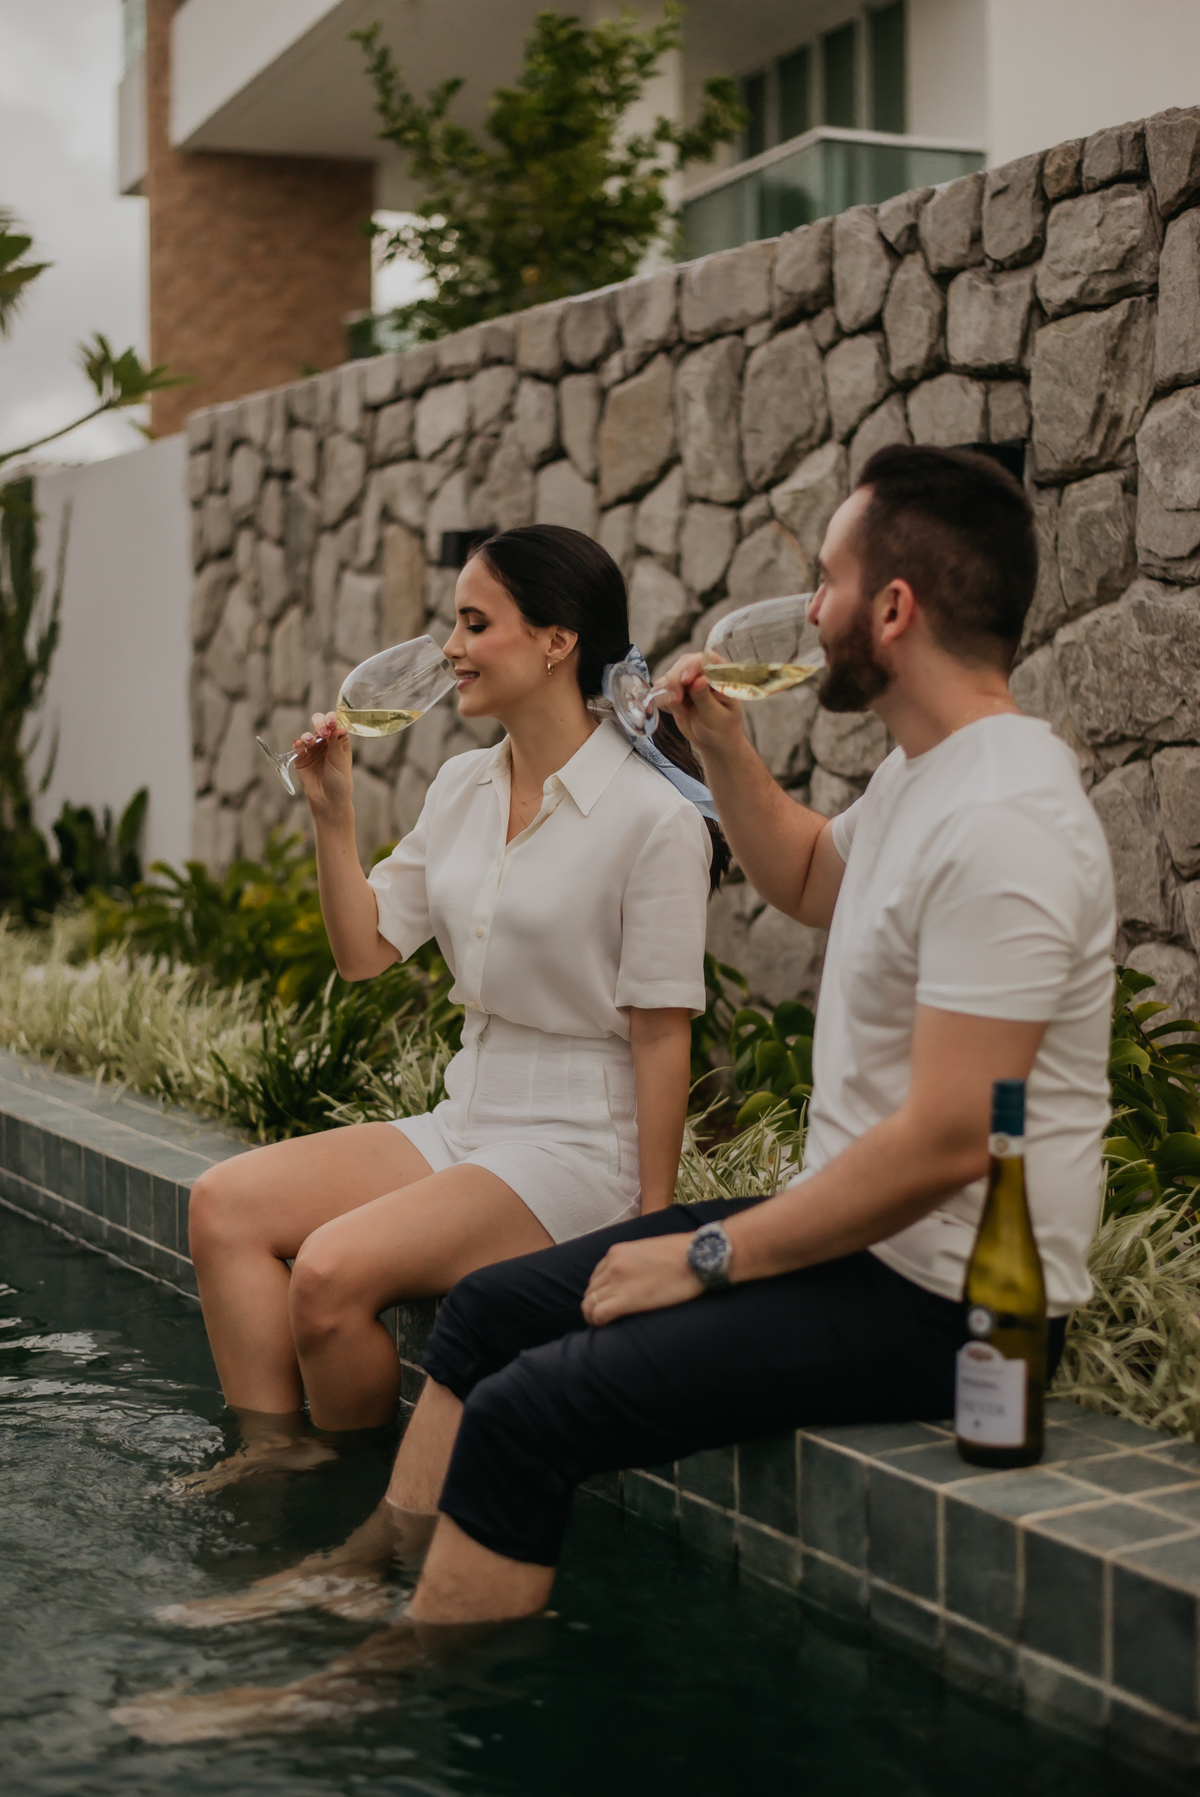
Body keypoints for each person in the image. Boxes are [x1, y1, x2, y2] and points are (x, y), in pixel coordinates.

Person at [117, 443, 1116, 1740]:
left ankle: (365, 1690)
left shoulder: (1007, 825)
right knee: (488, 1314)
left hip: (948, 1302)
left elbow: (945, 1142)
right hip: (862, 1244)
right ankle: (357, 1567)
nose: (806, 611)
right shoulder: (926, 779)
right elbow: (810, 877)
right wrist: (724, 749)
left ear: (892, 609)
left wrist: (703, 1251)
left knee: (533, 1410)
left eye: (824, 582)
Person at [180, 523, 726, 1489]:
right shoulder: (462, 785)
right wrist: (333, 815)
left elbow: (660, 1036)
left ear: (557, 641)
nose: (451, 648)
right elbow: (364, 954)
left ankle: (355, 1509)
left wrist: (651, 1230)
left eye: (476, 624)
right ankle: (275, 1457)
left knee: (331, 1272)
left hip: (577, 1149)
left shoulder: (655, 818)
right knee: (224, 1205)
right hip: (465, 1117)